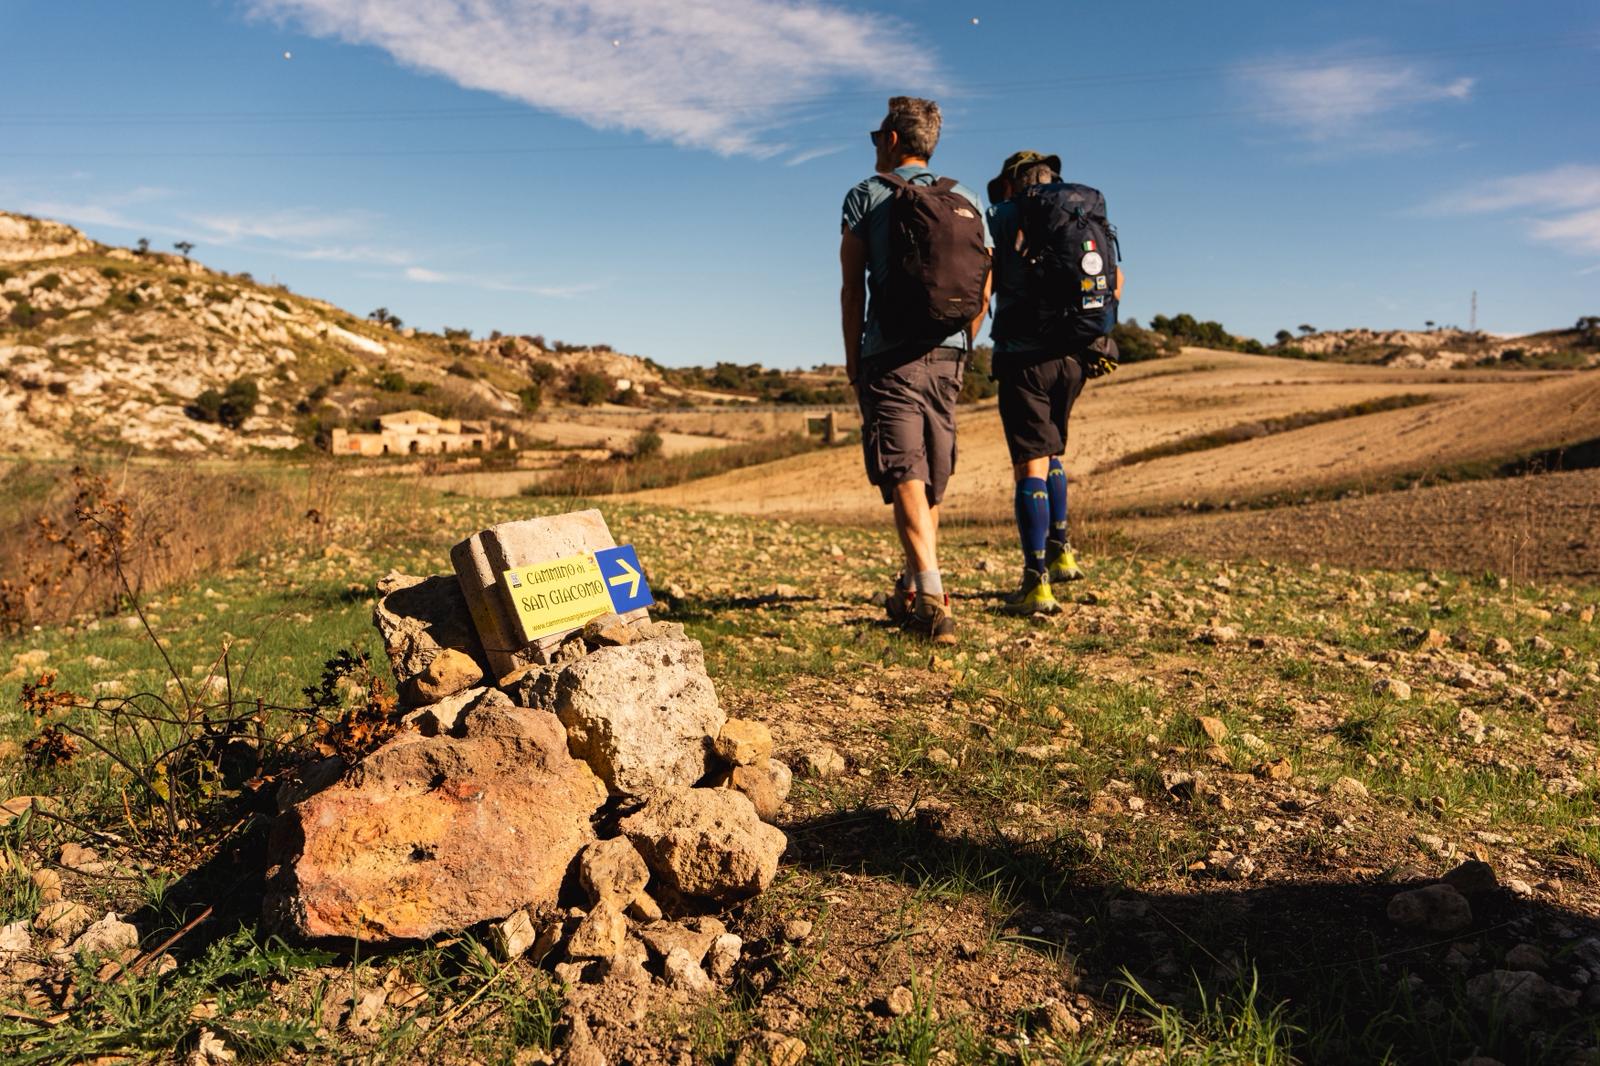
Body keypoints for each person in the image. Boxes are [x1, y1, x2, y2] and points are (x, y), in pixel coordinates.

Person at [840, 96, 993, 645]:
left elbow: (852, 285)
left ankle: (931, 596)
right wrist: (966, 336)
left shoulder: (867, 195)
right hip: (950, 353)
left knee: (904, 468)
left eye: (877, 136)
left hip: (891, 353)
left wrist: (855, 359)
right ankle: (910, 585)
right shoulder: (966, 196)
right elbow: (984, 278)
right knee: (932, 468)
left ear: (894, 140)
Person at [985, 151, 1123, 614]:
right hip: (1073, 359)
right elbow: (1116, 280)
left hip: (1024, 359)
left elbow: (985, 284)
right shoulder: (1081, 215)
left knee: (1029, 465)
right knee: (1053, 453)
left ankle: (1035, 582)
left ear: (1012, 182)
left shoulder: (1005, 218)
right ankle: (1062, 553)